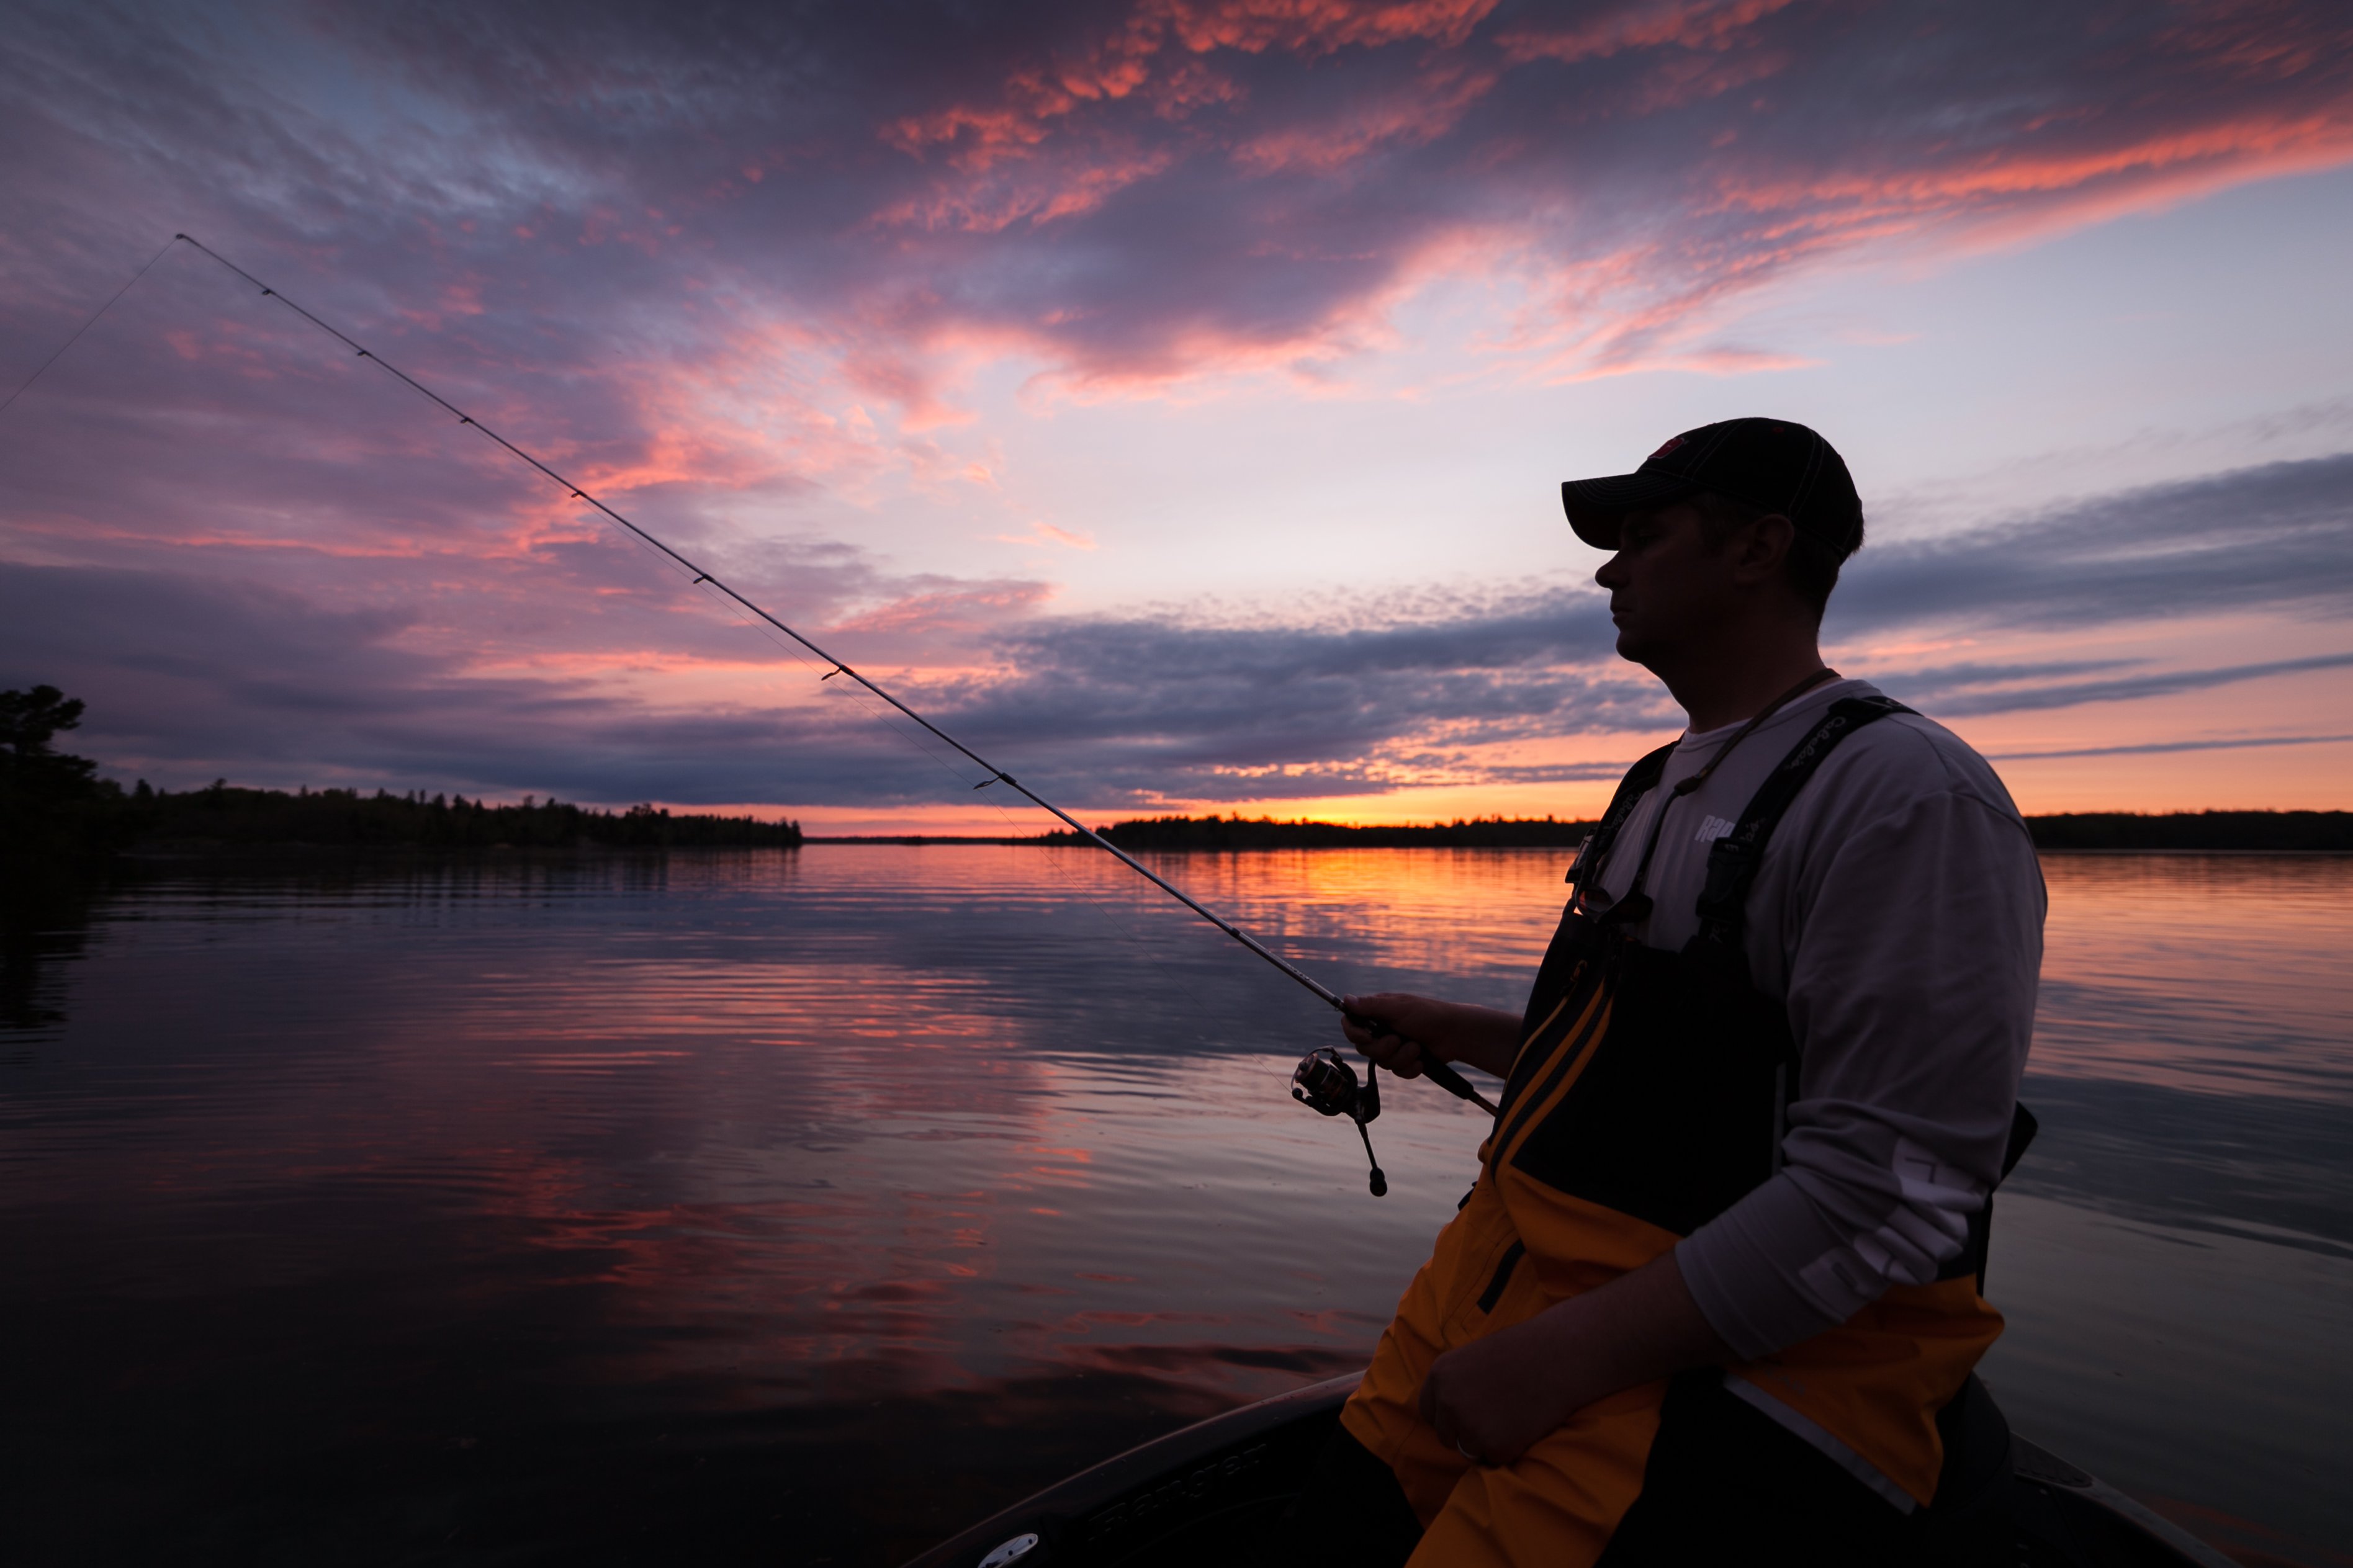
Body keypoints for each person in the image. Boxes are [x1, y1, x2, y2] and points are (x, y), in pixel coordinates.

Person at [1274, 418, 2044, 1566]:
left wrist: (1562, 1358)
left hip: (1692, 1376)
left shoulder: (1909, 798)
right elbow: (1668, 1064)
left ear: (1758, 550)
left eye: (1644, 534)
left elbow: (1891, 1193)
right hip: (1494, 1292)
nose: (1607, 567)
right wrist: (1469, 1034)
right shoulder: (1660, 781)